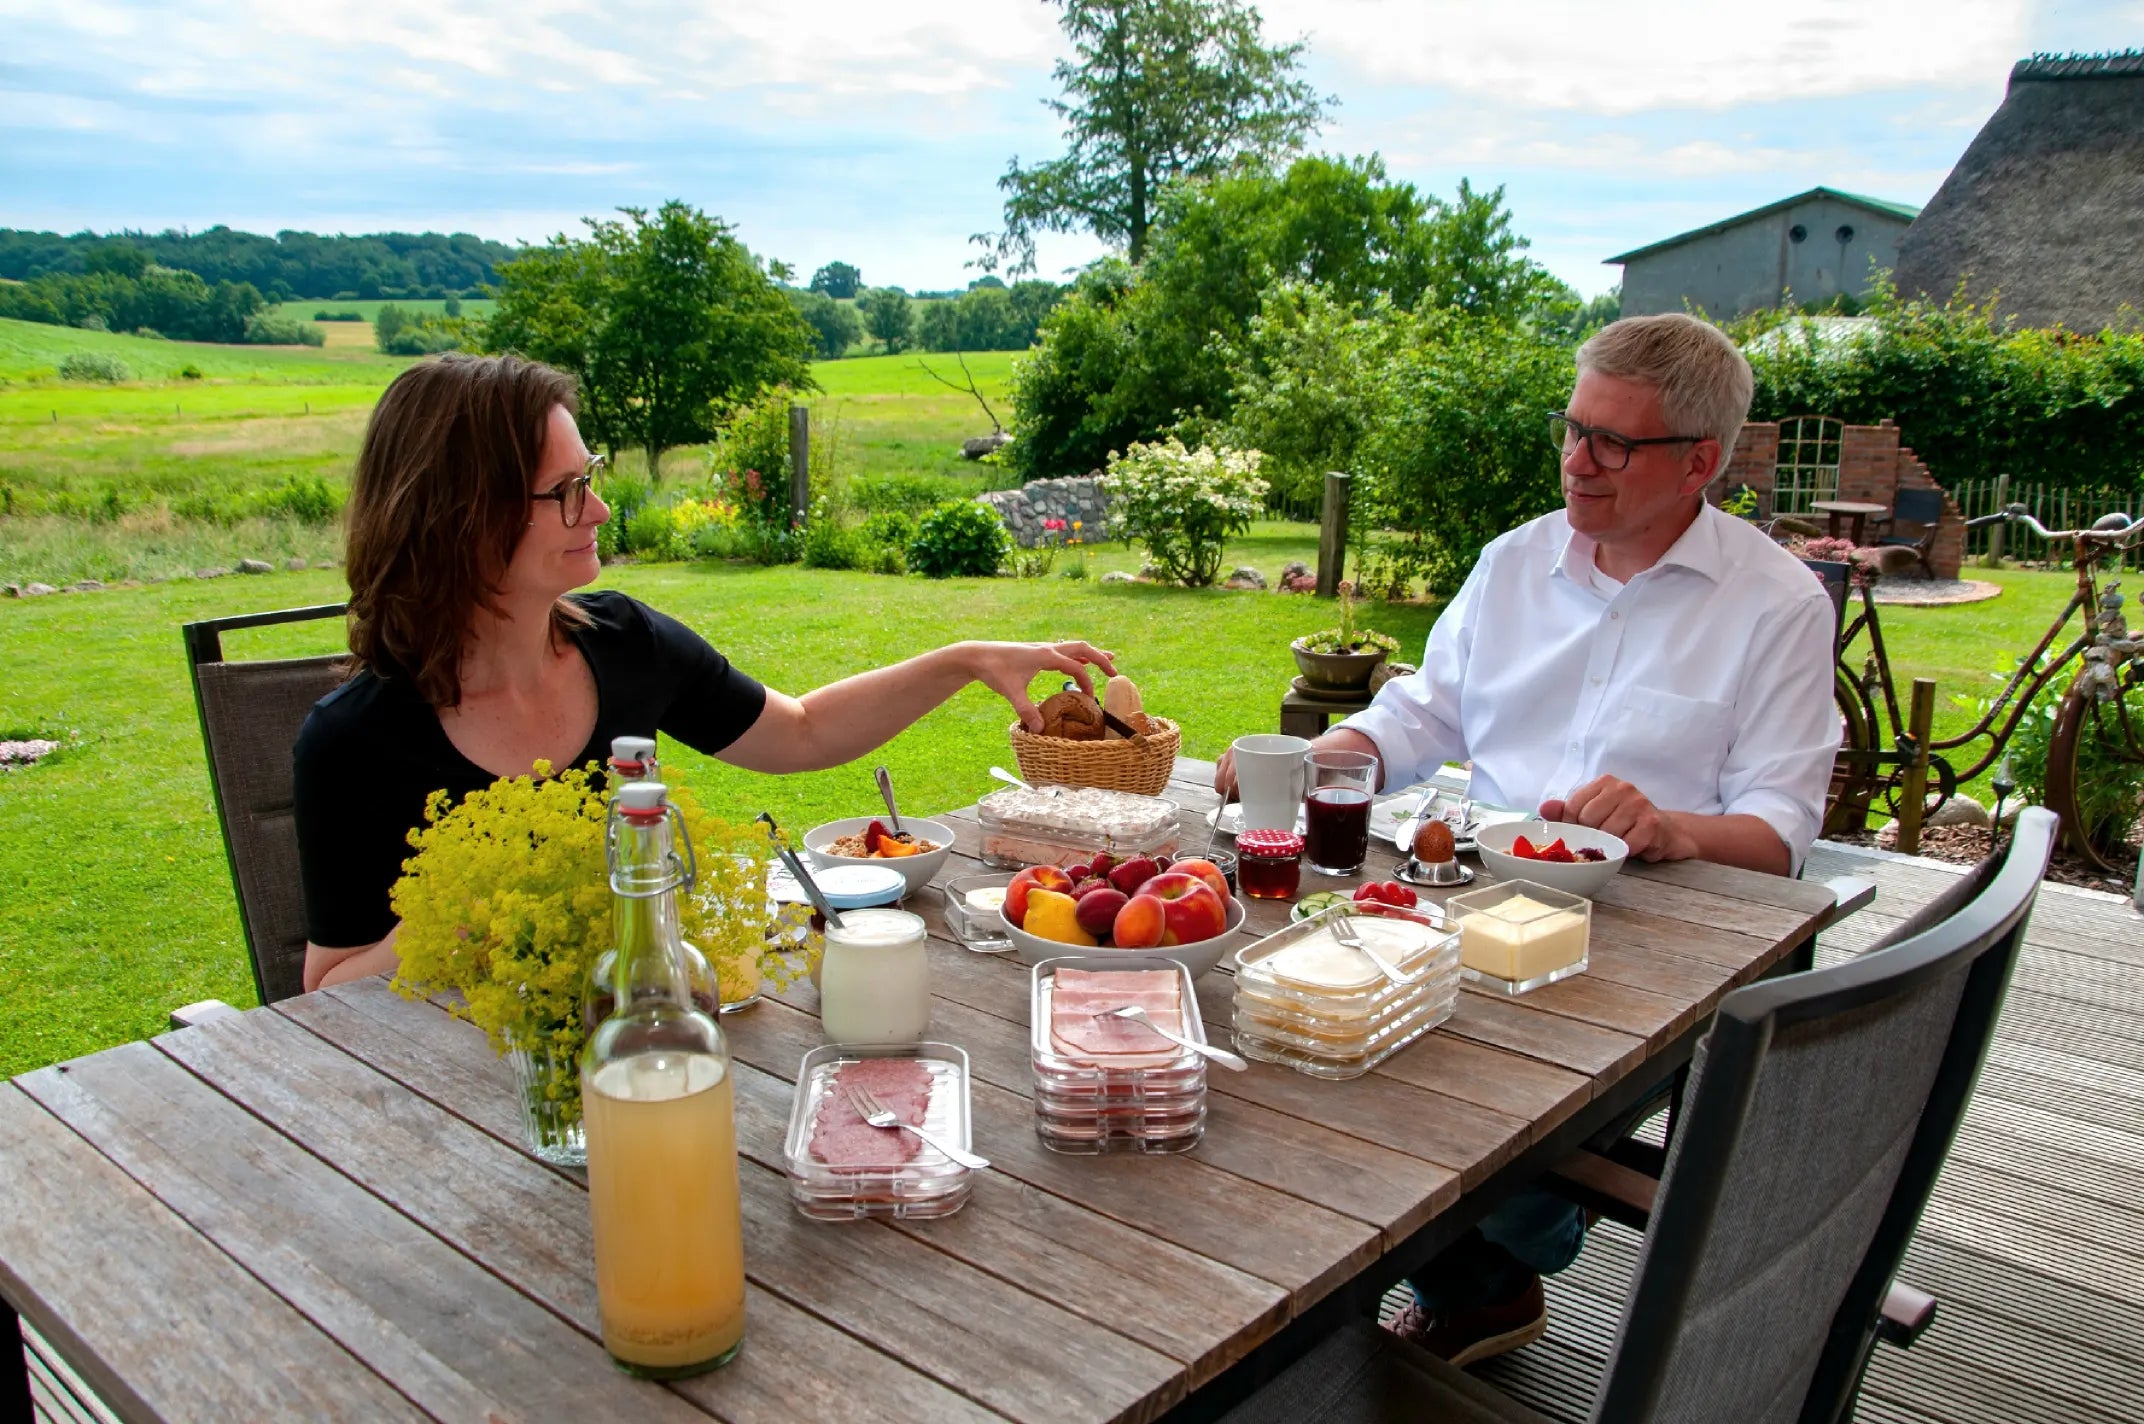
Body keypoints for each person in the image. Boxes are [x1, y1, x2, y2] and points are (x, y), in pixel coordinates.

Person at [1217, 312, 1840, 1363]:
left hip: (1651, 949)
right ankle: (1486, 1251)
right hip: (1463, 907)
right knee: (1284, 1023)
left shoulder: (1771, 604)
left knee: (1418, 1095)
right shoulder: (1512, 564)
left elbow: (1780, 833)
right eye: (1570, 426)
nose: (1574, 461)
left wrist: (1670, 826)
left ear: (1699, 462)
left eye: (1612, 442)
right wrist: (1338, 743)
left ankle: (1499, 1244)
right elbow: (1426, 713)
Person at [295, 353, 1114, 993]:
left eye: (594, 479)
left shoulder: (622, 643)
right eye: (569, 491)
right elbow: (325, 985)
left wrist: (962, 661)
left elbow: (802, 731)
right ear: (464, 513)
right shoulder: (354, 739)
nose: (603, 512)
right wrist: (458, 912)